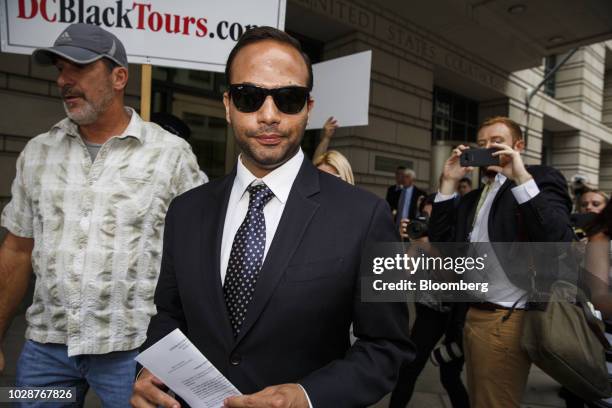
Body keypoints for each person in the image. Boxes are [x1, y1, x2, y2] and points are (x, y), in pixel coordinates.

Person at [131, 26, 413, 408]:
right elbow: (168, 315)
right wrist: (151, 370)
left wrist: (307, 396)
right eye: (249, 97)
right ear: (227, 105)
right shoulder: (186, 211)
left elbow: (387, 347)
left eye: (288, 99)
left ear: (308, 108)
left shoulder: (367, 215)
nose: (268, 116)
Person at [0, 23, 206, 406]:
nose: (65, 80)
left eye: (78, 68)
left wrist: (184, 348)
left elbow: (198, 257)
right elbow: (16, 249)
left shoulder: (171, 155)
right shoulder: (37, 153)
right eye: (60, 69)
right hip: (46, 352)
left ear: (119, 77)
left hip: (134, 353)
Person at [428, 116, 574, 408]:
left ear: (518, 146)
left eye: (497, 142)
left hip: (507, 320)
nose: (488, 149)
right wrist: (448, 182)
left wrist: (520, 177)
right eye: (481, 144)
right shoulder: (474, 198)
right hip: (470, 316)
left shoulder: (540, 179)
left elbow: (556, 237)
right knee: (480, 398)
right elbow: (442, 242)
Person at [391, 193, 470, 408]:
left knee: (450, 376)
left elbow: (451, 280)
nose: (428, 222)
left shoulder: (459, 238)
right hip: (429, 312)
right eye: (424, 216)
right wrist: (408, 242)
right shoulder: (421, 241)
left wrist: (429, 248)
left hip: (456, 314)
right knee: (408, 370)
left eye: (434, 217)